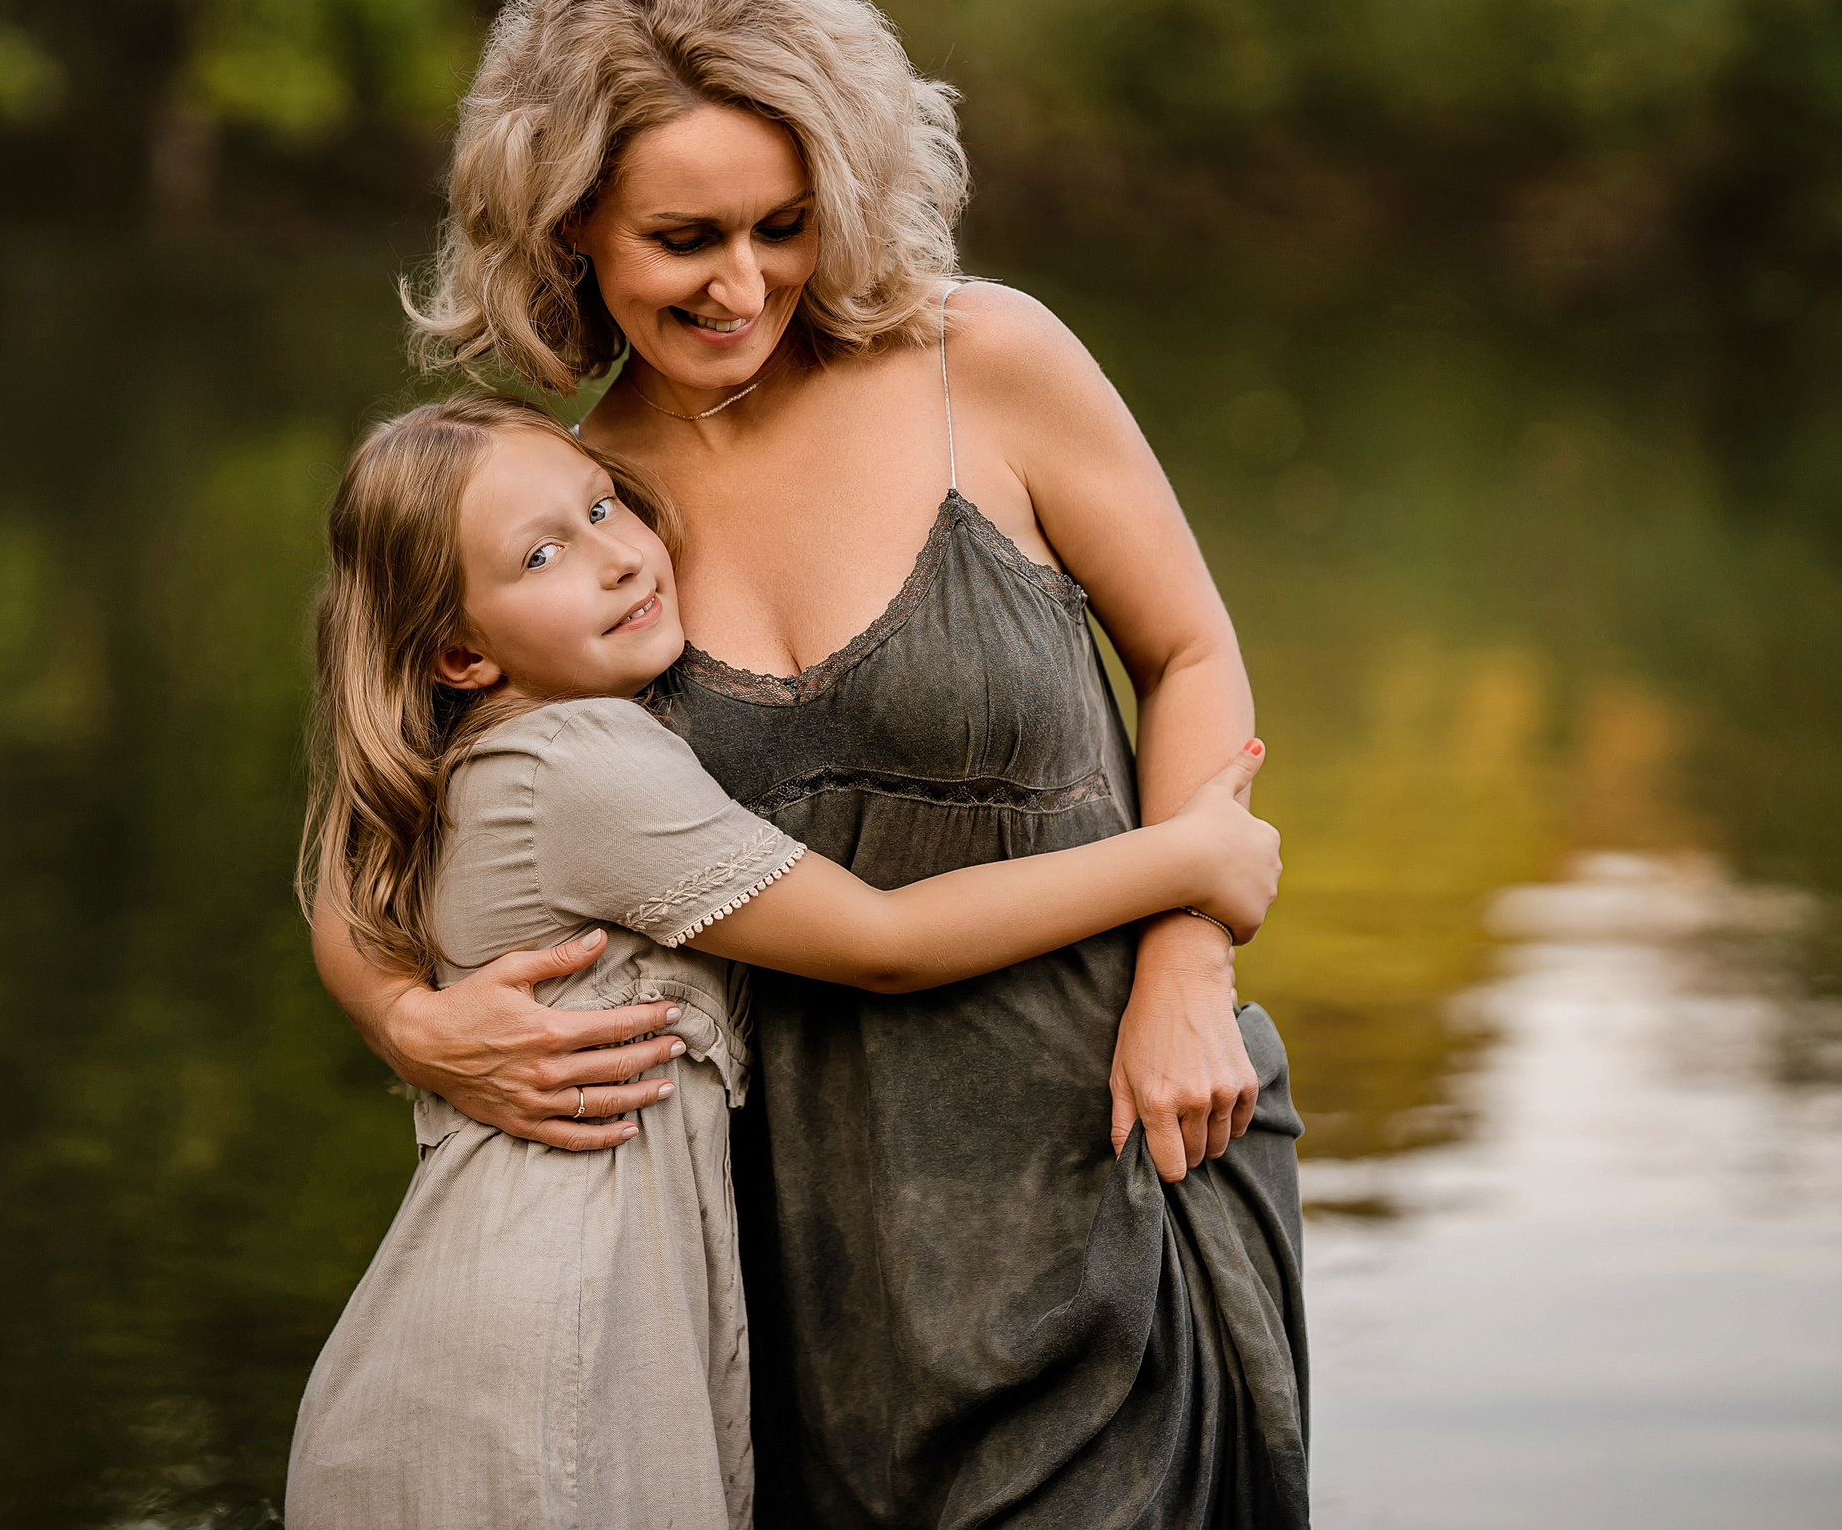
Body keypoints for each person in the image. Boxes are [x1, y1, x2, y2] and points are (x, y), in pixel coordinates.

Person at [314, 0, 1311, 1525]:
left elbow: (1194, 654)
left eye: (784, 223)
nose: (744, 281)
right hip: (787, 1257)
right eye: (684, 236)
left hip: (1116, 1151)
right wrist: (402, 1017)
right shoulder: (575, 515)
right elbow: (398, 811)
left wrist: (1193, 964)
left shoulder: (984, 360)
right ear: (570, 227)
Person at [284, 393, 1281, 1530]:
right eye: (546, 553)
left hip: (538, 1317)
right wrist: (1184, 860)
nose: (614, 558)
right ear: (459, 652)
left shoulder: (487, 758)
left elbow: (346, 883)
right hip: (545, 1358)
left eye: (606, 505)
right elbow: (884, 943)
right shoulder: (580, 761)